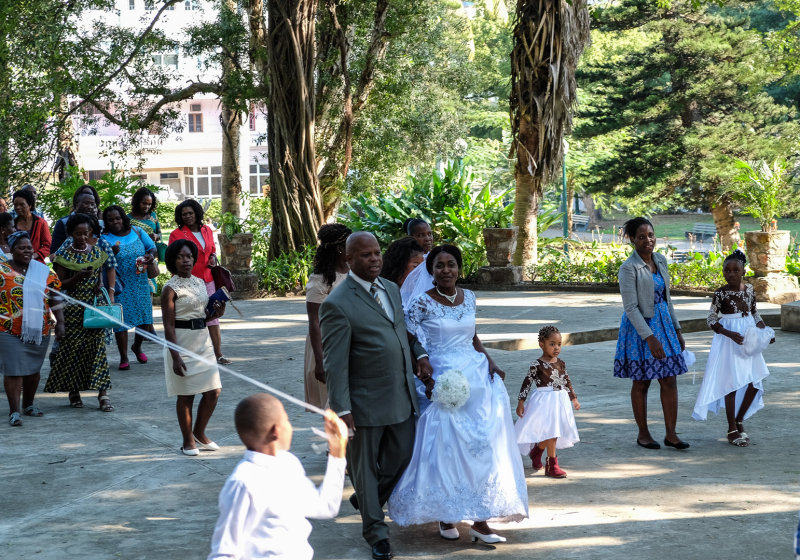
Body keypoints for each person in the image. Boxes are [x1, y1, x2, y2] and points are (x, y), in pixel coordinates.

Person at [387, 244, 528, 544]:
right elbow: (408, 338)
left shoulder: (471, 297)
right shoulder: (421, 303)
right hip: (442, 376)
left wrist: (491, 362)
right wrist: (422, 363)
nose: (446, 270)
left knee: (483, 446)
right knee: (447, 449)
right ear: (431, 271)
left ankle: (481, 520)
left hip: (476, 377)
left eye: (451, 264)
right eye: (440, 265)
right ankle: (446, 513)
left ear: (459, 268)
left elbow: (473, 336)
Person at [320, 232, 433, 560]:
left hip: (401, 394)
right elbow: (335, 364)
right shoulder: (337, 304)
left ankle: (367, 498)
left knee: (402, 454)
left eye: (377, 253)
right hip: (363, 401)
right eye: (365, 255)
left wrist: (420, 354)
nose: (374, 259)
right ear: (349, 259)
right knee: (365, 468)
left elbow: (403, 333)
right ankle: (376, 534)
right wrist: (342, 408)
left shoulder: (392, 289)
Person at [207, 395, 348, 560]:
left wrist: (337, 452)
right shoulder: (243, 482)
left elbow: (326, 506)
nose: (291, 427)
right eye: (287, 421)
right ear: (276, 431)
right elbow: (224, 552)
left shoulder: (289, 464)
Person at [614, 217, 689, 450]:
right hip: (640, 330)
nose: (648, 240)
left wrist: (677, 330)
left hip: (665, 325)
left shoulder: (660, 260)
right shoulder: (628, 268)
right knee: (642, 381)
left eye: (651, 235)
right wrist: (650, 337)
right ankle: (643, 434)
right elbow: (630, 308)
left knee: (669, 380)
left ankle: (671, 434)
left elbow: (667, 300)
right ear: (632, 240)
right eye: (641, 237)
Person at [692, 249, 773, 446]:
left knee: (754, 382)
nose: (731, 274)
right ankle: (731, 428)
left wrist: (765, 332)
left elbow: (754, 313)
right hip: (729, 340)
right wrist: (728, 333)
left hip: (749, 338)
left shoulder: (750, 290)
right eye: (726, 270)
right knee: (732, 383)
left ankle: (739, 419)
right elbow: (711, 319)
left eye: (735, 270)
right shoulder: (720, 293)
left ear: (743, 271)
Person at [161, 239, 225, 456]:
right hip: (181, 342)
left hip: (202, 340)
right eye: (180, 257)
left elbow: (204, 315)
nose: (186, 260)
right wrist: (175, 357)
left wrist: (217, 312)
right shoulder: (169, 288)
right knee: (186, 395)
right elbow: (168, 327)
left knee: (213, 391)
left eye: (189, 256)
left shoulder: (199, 282)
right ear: (172, 261)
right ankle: (188, 439)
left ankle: (200, 432)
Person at [45, 214, 114, 411]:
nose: (82, 237)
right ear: (70, 234)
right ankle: (74, 391)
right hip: (73, 311)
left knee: (97, 350)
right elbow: (58, 286)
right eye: (78, 234)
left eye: (86, 233)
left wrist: (99, 285)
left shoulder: (97, 252)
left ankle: (103, 394)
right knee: (74, 351)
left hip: (93, 308)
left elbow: (100, 277)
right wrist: (77, 278)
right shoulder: (64, 256)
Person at [1, 231, 64, 426]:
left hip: (40, 328)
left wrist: (60, 322)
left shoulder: (44, 271)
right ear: (12, 250)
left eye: (29, 247)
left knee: (33, 369)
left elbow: (55, 297)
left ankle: (29, 405)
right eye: (22, 248)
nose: (27, 251)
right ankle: (15, 411)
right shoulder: (2, 270)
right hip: (7, 328)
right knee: (14, 370)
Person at [168, 200, 230, 364]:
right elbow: (173, 256)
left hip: (208, 278)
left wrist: (212, 257)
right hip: (188, 280)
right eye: (184, 214)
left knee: (214, 315)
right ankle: (192, 353)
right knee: (193, 315)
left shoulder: (207, 230)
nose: (187, 216)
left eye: (190, 213)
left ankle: (218, 354)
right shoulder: (177, 234)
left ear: (197, 213)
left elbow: (212, 250)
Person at [515, 325, 580, 478]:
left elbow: (566, 381)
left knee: (554, 432)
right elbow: (527, 383)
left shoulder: (561, 363)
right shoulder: (536, 365)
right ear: (541, 345)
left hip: (560, 401)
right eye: (552, 344)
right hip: (544, 402)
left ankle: (537, 451)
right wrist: (521, 402)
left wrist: (574, 398)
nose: (556, 348)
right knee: (551, 431)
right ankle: (552, 464)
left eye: (559, 344)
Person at [101, 205, 157, 370]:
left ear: (123, 218)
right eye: (110, 220)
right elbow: (100, 261)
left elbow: (152, 248)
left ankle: (137, 346)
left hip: (140, 281)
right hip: (119, 284)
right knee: (121, 321)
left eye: (117, 218)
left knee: (144, 318)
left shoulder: (137, 231)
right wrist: (110, 253)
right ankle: (124, 357)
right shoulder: (105, 239)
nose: (114, 222)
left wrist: (150, 256)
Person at [304, 223, 351, 409]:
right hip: (327, 343)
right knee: (333, 404)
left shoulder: (355, 273)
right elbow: (314, 322)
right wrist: (319, 360)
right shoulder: (320, 281)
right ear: (340, 249)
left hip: (350, 340)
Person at [50, 185, 103, 254]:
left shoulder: (101, 223)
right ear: (77, 202)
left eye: (92, 203)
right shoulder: (63, 222)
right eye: (86, 203)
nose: (90, 207)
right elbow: (54, 251)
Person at [398, 218, 435, 310]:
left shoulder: (435, 257)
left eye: (429, 234)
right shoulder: (405, 258)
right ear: (411, 237)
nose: (427, 239)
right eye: (421, 235)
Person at [12, 189, 50, 263]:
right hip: (15, 264)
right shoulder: (12, 224)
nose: (17, 207)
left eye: (21, 204)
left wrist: (35, 255)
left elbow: (48, 245)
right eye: (15, 205)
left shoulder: (41, 223)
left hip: (35, 262)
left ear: (29, 205)